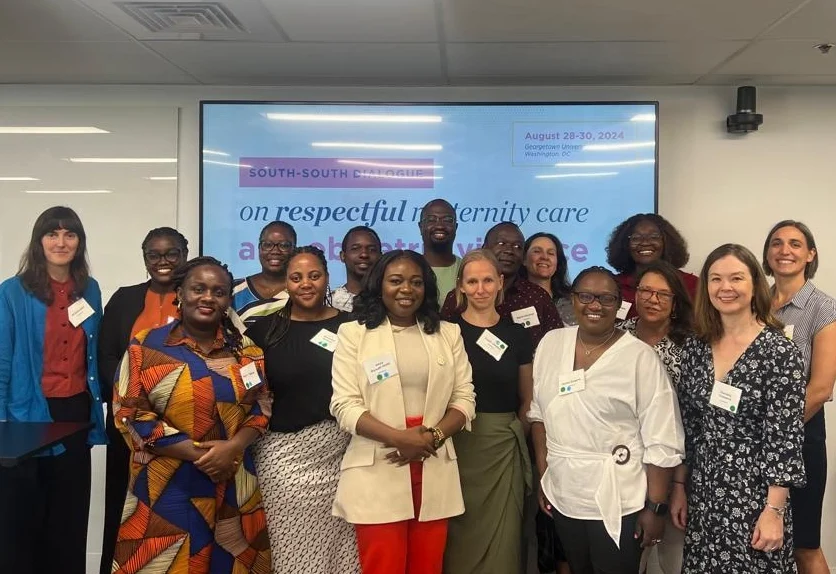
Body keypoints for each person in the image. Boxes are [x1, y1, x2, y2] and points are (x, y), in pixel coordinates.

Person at [112, 256, 272, 574]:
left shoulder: (247, 351)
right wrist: (203, 455)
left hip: (232, 483)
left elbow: (261, 407)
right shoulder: (145, 346)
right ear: (181, 293)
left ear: (228, 301)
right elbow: (130, 414)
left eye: (219, 292)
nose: (208, 298)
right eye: (199, 289)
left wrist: (232, 448)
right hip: (166, 488)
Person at [529, 266, 685, 574]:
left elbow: (663, 438)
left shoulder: (640, 358)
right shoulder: (551, 343)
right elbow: (539, 416)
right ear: (573, 299)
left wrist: (655, 508)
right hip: (566, 493)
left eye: (606, 298)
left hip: (622, 498)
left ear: (619, 304)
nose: (595, 305)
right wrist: (545, 477)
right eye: (586, 296)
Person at [330, 249, 476, 574]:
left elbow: (465, 399)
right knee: (383, 566)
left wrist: (432, 437)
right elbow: (344, 405)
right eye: (396, 281)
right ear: (379, 285)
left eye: (416, 282)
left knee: (428, 567)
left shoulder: (448, 333)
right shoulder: (354, 334)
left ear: (427, 288)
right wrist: (400, 439)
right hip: (380, 462)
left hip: (433, 458)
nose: (406, 289)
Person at [672, 244, 806, 574]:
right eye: (716, 279)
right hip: (704, 492)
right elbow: (688, 426)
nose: (725, 287)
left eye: (736, 278)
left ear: (754, 284)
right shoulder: (696, 347)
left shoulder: (779, 352)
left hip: (755, 497)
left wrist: (774, 511)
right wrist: (679, 487)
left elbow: (784, 439)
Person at [0, 206, 107, 574]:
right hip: (25, 414)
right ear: (39, 241)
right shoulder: (12, 292)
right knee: (23, 515)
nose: (61, 242)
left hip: (75, 412)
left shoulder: (89, 289)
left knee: (69, 514)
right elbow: (2, 359)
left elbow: (93, 352)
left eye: (69, 234)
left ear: (79, 242)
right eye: (52, 234)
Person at [246, 246, 359, 573]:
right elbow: (244, 385)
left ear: (327, 278)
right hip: (282, 463)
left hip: (343, 459)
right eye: (296, 278)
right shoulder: (263, 331)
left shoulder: (353, 328)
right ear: (286, 283)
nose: (306, 284)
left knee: (341, 551)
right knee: (290, 550)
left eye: (314, 276)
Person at [97, 226, 188, 574]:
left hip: (182, 425)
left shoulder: (198, 295)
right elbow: (106, 355)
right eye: (154, 255)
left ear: (185, 254)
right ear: (145, 259)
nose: (163, 261)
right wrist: (134, 398)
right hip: (128, 425)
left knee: (174, 508)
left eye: (172, 253)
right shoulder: (124, 299)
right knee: (124, 503)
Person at [443, 249, 533, 574]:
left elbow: (528, 399)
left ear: (500, 282)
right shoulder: (446, 332)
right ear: (461, 286)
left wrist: (514, 434)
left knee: (504, 542)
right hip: (456, 447)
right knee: (457, 537)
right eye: (472, 282)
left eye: (487, 280)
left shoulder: (517, 335)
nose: (480, 289)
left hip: (503, 451)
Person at [762, 221, 836, 574]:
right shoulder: (754, 303)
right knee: (760, 541)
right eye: (776, 243)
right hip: (753, 438)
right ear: (767, 254)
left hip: (801, 436)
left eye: (795, 243)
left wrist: (777, 431)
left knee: (804, 544)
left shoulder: (823, 308)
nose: (784, 250)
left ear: (810, 255)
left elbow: (821, 388)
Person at [618, 260, 693, 574]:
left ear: (675, 302)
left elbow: (692, 419)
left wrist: (678, 483)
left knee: (670, 562)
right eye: (646, 291)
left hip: (674, 467)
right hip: (623, 466)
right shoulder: (616, 337)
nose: (653, 299)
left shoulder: (691, 346)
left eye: (663, 294)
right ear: (635, 294)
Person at [441, 221, 563, 348]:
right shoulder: (458, 297)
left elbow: (559, 346)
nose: (509, 251)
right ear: (484, 248)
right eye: (501, 243)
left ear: (523, 256)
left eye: (517, 246)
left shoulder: (538, 297)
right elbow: (441, 344)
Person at [606, 214, 698, 319]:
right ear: (624, 244)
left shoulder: (691, 285)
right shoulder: (613, 285)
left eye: (654, 237)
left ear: (667, 241)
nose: (645, 242)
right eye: (636, 238)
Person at [232, 220, 296, 329]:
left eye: (284, 245)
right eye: (267, 245)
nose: (275, 251)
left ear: (294, 249)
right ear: (259, 248)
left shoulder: (302, 291)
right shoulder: (234, 290)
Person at [522, 231, 576, 326]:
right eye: (537, 251)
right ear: (524, 260)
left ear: (558, 263)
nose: (545, 257)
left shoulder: (572, 300)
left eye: (551, 253)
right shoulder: (512, 299)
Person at [332, 226, 382, 313]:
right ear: (343, 256)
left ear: (380, 257)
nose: (364, 255)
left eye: (372, 250)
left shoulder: (389, 301)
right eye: (355, 249)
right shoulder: (329, 302)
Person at [419, 199, 461, 299]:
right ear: (421, 227)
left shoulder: (466, 269)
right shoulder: (411, 268)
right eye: (431, 220)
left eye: (447, 220)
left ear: (456, 227)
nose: (440, 226)